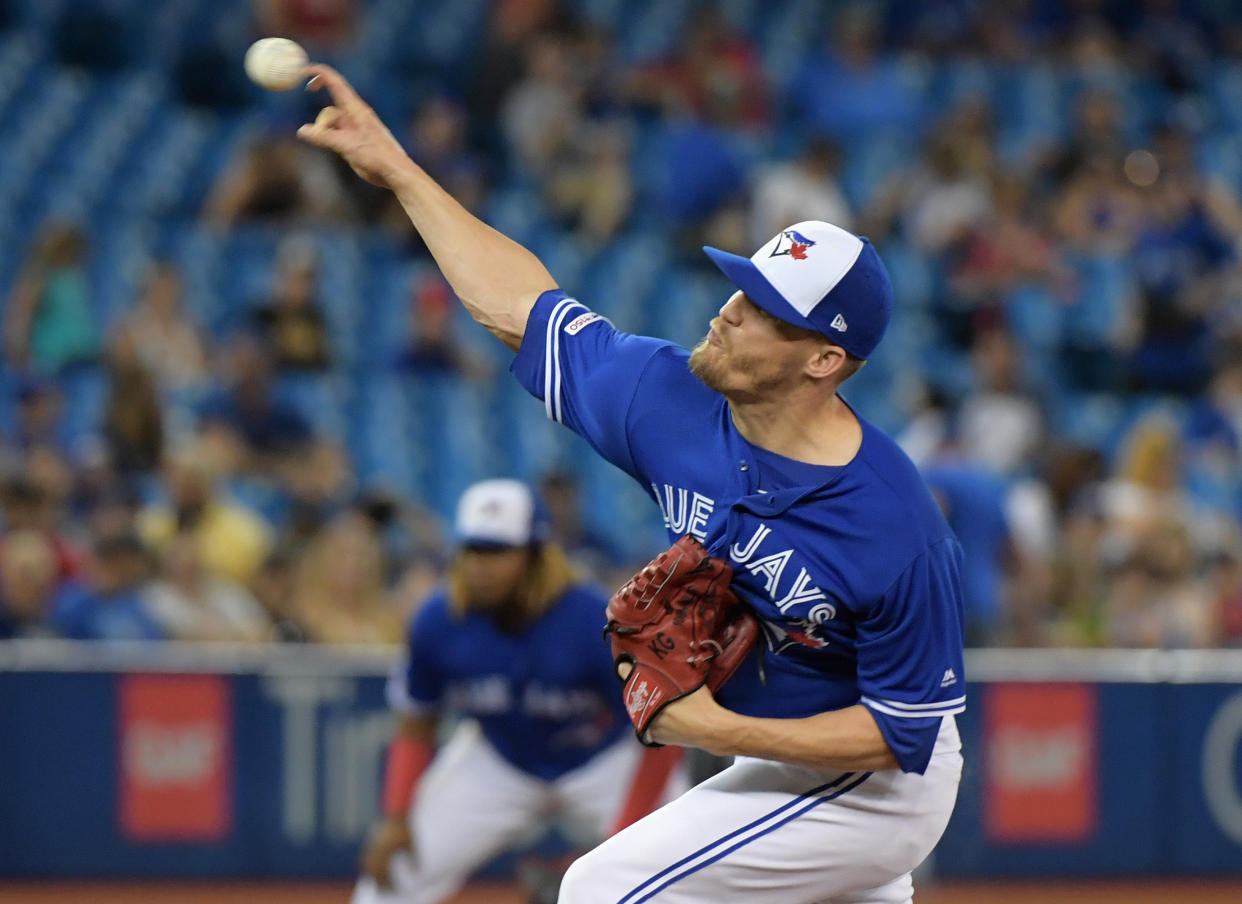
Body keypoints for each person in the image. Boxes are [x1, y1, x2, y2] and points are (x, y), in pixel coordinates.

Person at [299, 64, 965, 904]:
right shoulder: (666, 400)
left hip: (876, 789)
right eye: (740, 287)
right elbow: (518, 305)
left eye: (763, 310)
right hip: (780, 757)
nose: (728, 310)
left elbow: (902, 731)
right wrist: (400, 173)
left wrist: (716, 727)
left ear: (824, 360)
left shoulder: (896, 526)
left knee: (603, 889)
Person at [354, 479, 679, 904]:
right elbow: (416, 724)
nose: (479, 565)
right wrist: (396, 814)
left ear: (537, 555)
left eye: (497, 551)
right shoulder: (438, 618)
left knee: (673, 872)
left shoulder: (592, 620)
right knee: (394, 870)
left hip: (605, 758)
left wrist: (627, 833)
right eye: (471, 550)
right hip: (499, 760)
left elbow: (662, 734)